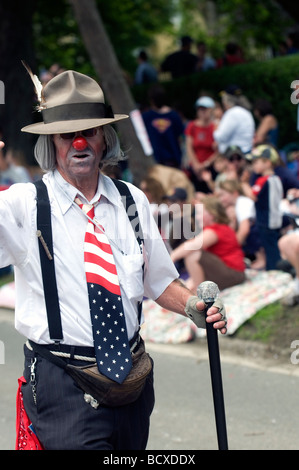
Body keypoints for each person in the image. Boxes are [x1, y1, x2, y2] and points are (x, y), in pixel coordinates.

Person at [1, 70, 226, 451]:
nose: (78, 142)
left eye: (89, 131)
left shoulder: (131, 200)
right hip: (62, 384)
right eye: (66, 135)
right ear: (50, 142)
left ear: (104, 137)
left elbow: (159, 280)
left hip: (132, 382)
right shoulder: (22, 204)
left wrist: (191, 306)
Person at [170, 195, 246, 292]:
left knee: (193, 255)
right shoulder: (217, 228)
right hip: (231, 273)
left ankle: (199, 294)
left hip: (234, 274)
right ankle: (195, 289)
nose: (197, 217)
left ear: (212, 214)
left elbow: (193, 245)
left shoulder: (216, 230)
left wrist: (173, 256)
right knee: (194, 260)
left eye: (199, 213)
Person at [247, 145, 283, 271]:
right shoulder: (277, 178)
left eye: (256, 162)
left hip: (265, 219)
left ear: (267, 163)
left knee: (270, 248)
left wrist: (243, 184)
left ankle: (275, 270)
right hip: (275, 218)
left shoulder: (263, 180)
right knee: (272, 246)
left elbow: (252, 196)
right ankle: (275, 267)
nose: (253, 165)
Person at [142, 84, 185, 168]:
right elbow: (181, 138)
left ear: (151, 100)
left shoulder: (147, 117)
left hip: (168, 160)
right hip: (162, 160)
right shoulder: (173, 115)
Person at [184, 96, 217, 193]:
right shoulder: (192, 126)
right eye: (200, 109)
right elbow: (189, 147)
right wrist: (196, 165)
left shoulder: (215, 126)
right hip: (195, 168)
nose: (202, 112)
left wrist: (206, 164)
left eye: (205, 109)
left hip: (210, 167)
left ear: (211, 110)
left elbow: (218, 150)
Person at [213, 85, 255, 155]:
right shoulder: (247, 112)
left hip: (234, 156)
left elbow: (221, 137)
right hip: (245, 152)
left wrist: (216, 124)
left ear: (227, 99)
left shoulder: (232, 113)